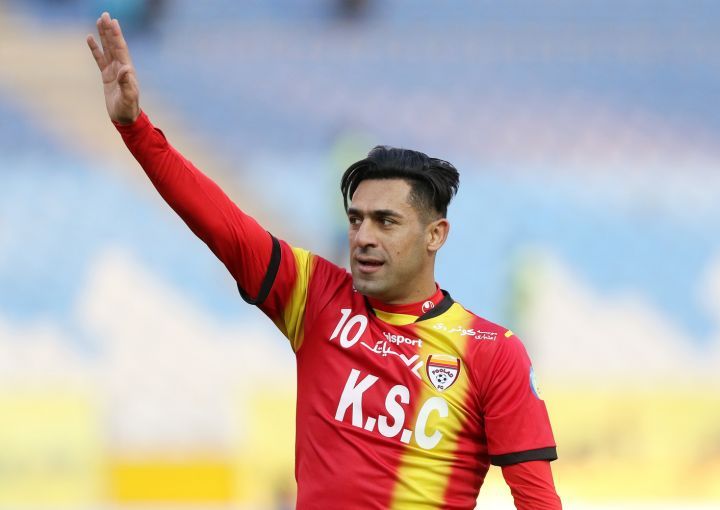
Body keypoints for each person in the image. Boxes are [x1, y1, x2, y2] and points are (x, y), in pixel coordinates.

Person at [87, 12, 562, 509]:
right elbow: (221, 223)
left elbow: (537, 499)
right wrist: (135, 128)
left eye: (386, 221)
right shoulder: (315, 296)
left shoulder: (492, 353)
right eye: (356, 220)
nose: (364, 237)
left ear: (435, 235)